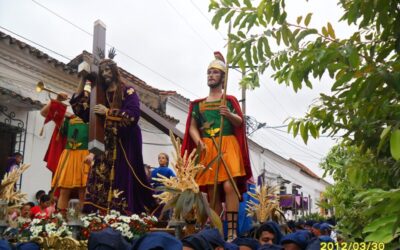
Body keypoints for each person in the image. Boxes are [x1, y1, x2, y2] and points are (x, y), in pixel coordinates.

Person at [71, 55, 156, 214]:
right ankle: (96, 214)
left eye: (108, 70)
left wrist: (108, 112)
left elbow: (133, 115)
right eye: (102, 71)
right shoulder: (99, 94)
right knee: (99, 177)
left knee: (122, 175)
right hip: (105, 141)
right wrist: (82, 80)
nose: (104, 74)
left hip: (125, 140)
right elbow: (81, 111)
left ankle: (120, 214)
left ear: (115, 71)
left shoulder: (127, 91)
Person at [182, 51, 252, 240]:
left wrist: (228, 115)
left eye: (215, 72)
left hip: (228, 145)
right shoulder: (199, 105)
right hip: (208, 146)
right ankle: (216, 230)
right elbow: (192, 127)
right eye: (209, 72)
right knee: (213, 190)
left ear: (223, 77)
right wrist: (198, 142)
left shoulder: (229, 101)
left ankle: (231, 231)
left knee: (229, 186)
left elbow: (240, 122)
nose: (211, 75)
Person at [41, 94, 91, 214]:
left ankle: (82, 220)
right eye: (80, 101)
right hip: (69, 156)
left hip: (86, 157)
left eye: (85, 101)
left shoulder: (94, 120)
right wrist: (57, 100)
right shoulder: (69, 119)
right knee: (64, 190)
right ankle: (61, 221)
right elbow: (44, 113)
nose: (82, 104)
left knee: (83, 191)